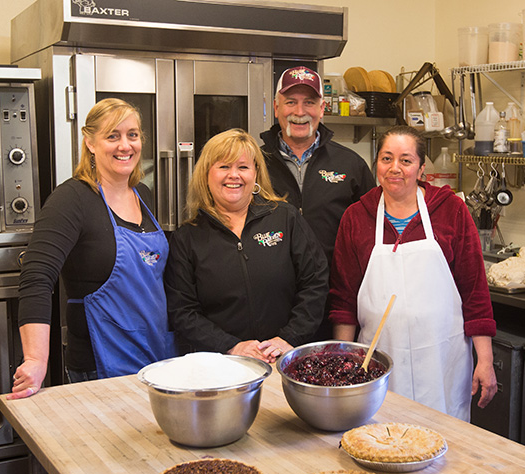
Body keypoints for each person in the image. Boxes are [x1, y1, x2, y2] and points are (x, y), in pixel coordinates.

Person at [329, 125, 497, 420]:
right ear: (376, 164)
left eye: (406, 160)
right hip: (379, 357)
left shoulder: (451, 211)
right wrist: (345, 357)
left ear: (421, 168)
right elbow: (344, 300)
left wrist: (485, 359)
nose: (395, 168)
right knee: (381, 438)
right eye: (386, 158)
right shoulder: (356, 217)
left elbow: (475, 292)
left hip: (443, 358)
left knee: (444, 440)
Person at [10, 98, 175, 399]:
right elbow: (36, 277)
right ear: (89, 142)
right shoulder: (72, 199)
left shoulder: (143, 195)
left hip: (156, 357)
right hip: (100, 366)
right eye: (113, 136)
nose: (125, 145)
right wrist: (35, 359)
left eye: (132, 135)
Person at [165, 128, 328, 363]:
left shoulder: (285, 218)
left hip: (284, 360)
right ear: (206, 174)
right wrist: (231, 346)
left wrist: (288, 338)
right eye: (223, 167)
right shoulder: (187, 238)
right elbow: (183, 311)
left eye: (243, 167)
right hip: (221, 365)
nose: (234, 175)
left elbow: (315, 282)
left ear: (255, 174)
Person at [260, 66, 377, 265]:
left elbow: (372, 232)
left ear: (322, 109)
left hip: (334, 288)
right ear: (276, 107)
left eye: (309, 103)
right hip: (270, 291)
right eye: (290, 102)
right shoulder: (252, 164)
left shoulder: (351, 165)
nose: (299, 112)